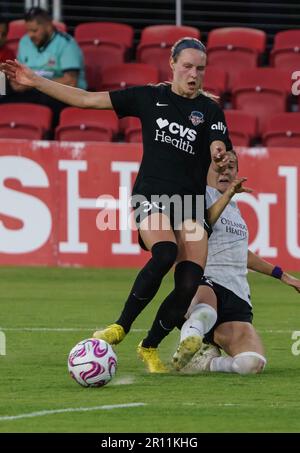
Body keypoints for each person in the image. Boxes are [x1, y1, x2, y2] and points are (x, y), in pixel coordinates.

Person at [0, 37, 232, 373]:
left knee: (187, 284)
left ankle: (149, 346)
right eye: (187, 66)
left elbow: (220, 141)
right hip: (153, 196)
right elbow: (85, 98)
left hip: (191, 203)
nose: (193, 74)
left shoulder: (210, 110)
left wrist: (219, 154)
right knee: (164, 253)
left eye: (200, 68)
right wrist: (35, 80)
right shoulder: (149, 97)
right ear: (172, 63)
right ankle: (121, 326)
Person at [172, 150, 300, 375]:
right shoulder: (197, 196)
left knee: (251, 364)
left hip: (237, 296)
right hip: (205, 282)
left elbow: (242, 255)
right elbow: (200, 227)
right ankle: (191, 338)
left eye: (231, 166)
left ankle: (206, 362)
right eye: (219, 165)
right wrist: (228, 194)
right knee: (205, 310)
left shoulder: (234, 210)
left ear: (238, 173)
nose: (226, 170)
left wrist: (283, 276)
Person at [0, 7, 86, 128]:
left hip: (60, 95)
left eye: (34, 31)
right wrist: (16, 81)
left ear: (48, 26)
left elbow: (71, 81)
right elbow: (19, 75)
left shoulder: (66, 43)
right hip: (31, 92)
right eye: (28, 31)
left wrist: (35, 83)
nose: (30, 35)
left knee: (47, 102)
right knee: (3, 95)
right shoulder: (25, 41)